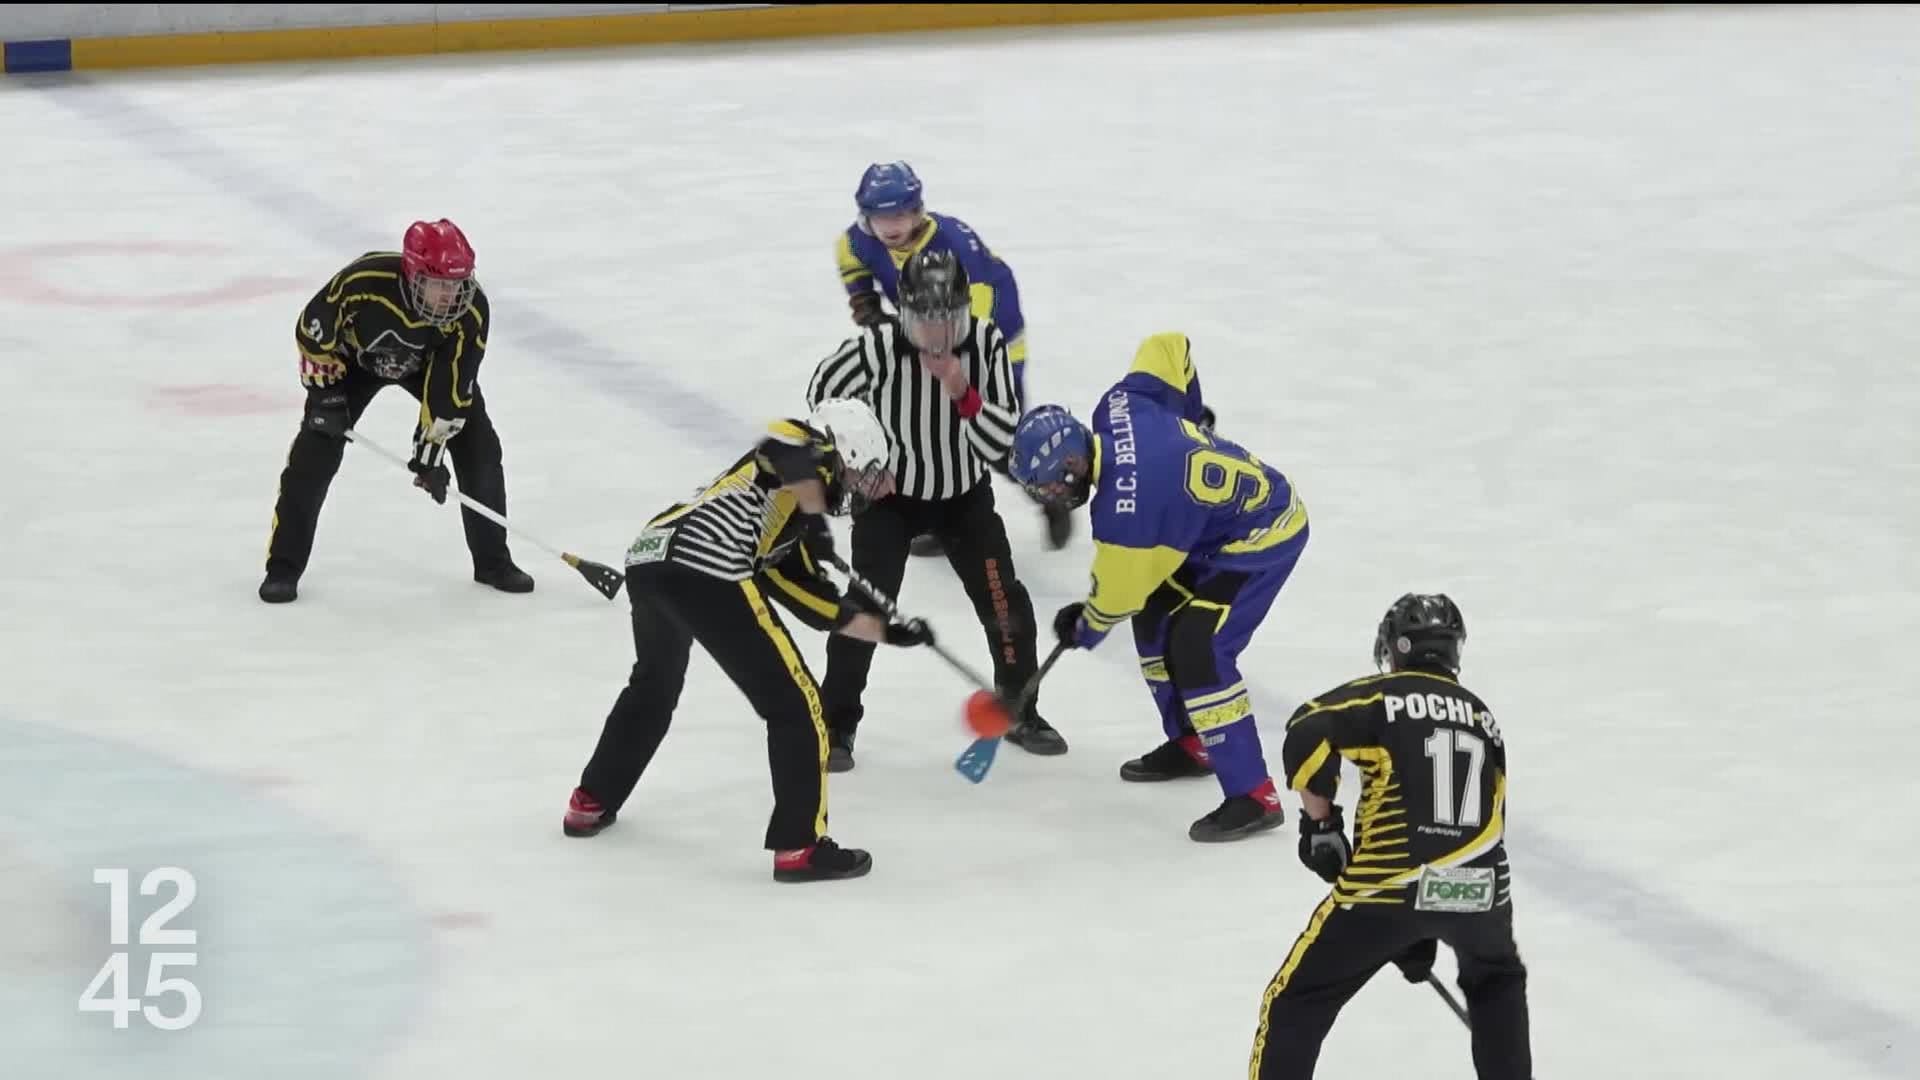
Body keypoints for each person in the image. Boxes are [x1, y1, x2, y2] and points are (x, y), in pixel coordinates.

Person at [560, 399, 933, 883]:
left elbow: (815, 604)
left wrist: (886, 630)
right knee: (799, 704)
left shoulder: (783, 521)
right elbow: (777, 442)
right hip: (704, 563)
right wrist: (817, 518)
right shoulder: (808, 447)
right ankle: (800, 846)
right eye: (864, 473)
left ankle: (592, 801)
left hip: (652, 557)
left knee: (654, 687)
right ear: (846, 451)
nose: (863, 488)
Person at [1008, 332, 1306, 841]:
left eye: (1052, 484)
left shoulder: (1124, 514)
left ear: (1073, 463)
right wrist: (1188, 417)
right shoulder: (1119, 405)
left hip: (1264, 532)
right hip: (1216, 530)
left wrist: (1084, 625)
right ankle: (1197, 742)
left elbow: (1117, 597)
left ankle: (1254, 796)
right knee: (1156, 616)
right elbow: (1169, 346)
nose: (1051, 496)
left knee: (1201, 647)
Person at [1248, 594, 1533, 1079]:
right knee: (1497, 984)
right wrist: (1428, 920)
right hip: (1483, 890)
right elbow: (1489, 816)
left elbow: (1306, 728)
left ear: (1396, 648)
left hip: (1389, 883)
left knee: (1295, 1002)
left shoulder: (1385, 696)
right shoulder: (1485, 720)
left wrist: (1321, 825)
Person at [806, 248, 1068, 772]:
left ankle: (1020, 708)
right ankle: (836, 723)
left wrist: (960, 390)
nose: (936, 331)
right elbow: (821, 398)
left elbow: (1002, 443)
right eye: (923, 319)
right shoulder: (877, 347)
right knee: (867, 608)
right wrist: (862, 462)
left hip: (964, 500)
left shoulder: (987, 343)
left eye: (947, 317)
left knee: (1004, 604)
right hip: (890, 504)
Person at [261, 218, 530, 603]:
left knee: (480, 446)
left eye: (458, 285)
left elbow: (451, 391)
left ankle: (493, 562)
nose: (450, 297)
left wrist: (428, 456)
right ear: (412, 274)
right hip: (354, 363)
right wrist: (326, 398)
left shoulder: (470, 312)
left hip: (426, 366)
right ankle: (282, 567)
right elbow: (312, 332)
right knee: (315, 451)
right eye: (439, 285)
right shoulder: (363, 283)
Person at [835, 160, 1073, 552]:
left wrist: (951, 366)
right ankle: (944, 520)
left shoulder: (956, 247)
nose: (890, 225)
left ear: (916, 210)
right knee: (929, 431)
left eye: (899, 214)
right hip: (931, 335)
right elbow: (848, 254)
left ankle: (1048, 494)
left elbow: (981, 321)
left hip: (994, 343)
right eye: (880, 216)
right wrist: (862, 297)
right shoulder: (861, 239)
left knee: (993, 434)